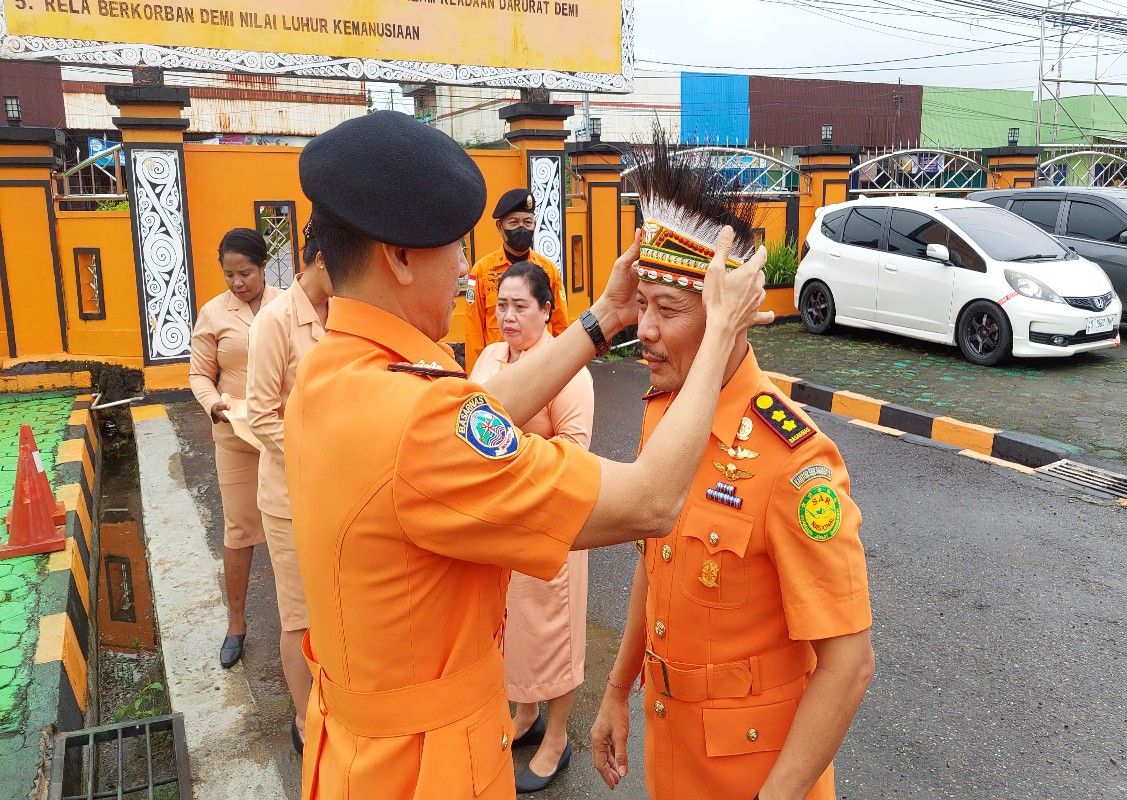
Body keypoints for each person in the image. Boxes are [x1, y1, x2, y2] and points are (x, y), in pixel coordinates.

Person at [285, 110, 772, 800]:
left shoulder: (330, 371)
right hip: (423, 772)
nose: (463, 271)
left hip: (353, 755)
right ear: (397, 255)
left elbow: (468, 414)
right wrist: (720, 328)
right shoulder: (416, 424)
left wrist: (603, 319)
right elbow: (653, 500)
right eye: (452, 250)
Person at [590, 133, 875, 800]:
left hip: (756, 776)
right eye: (643, 305)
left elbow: (850, 663)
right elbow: (650, 561)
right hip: (673, 753)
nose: (646, 330)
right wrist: (615, 689)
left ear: (730, 321)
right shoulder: (666, 412)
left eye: (668, 309)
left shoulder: (795, 461)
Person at [468, 262, 593, 793]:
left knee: (552, 632)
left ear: (547, 310)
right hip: (498, 525)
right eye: (502, 306)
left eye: (521, 307)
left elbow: (576, 448)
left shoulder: (568, 369)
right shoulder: (489, 358)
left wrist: (507, 451)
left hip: (548, 520)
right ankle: (524, 715)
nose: (509, 317)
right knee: (511, 628)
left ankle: (557, 737)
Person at [245, 231, 331, 753]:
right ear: (320, 258)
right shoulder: (274, 323)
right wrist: (316, 456)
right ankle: (304, 720)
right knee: (299, 614)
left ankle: (330, 704)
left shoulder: (339, 312)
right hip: (290, 497)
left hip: (333, 493)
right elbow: (260, 415)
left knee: (332, 608)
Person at [188, 227, 283, 669]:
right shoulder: (213, 313)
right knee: (239, 531)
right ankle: (236, 623)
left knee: (296, 531)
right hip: (236, 438)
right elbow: (199, 375)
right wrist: (215, 405)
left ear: (263, 266)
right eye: (229, 275)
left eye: (245, 272)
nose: (237, 283)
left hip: (283, 437)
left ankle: (300, 624)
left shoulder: (289, 305)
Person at [463, 189, 569, 371]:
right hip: (498, 369)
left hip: (541, 367)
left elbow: (561, 326)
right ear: (500, 227)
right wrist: (476, 379)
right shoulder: (481, 271)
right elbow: (473, 331)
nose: (522, 228)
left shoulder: (548, 270)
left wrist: (564, 368)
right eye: (514, 222)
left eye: (528, 222)